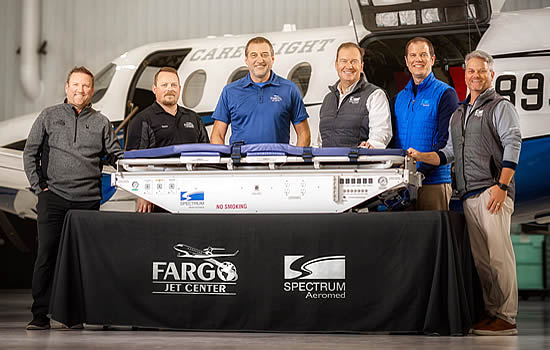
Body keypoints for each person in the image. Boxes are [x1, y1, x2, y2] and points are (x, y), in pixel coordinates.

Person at [408, 50, 521, 336]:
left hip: (493, 193)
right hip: (468, 195)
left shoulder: (500, 106)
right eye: (471, 71)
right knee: (483, 260)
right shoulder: (459, 113)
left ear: (491, 75)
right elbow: (448, 152)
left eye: (481, 71)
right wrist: (422, 155)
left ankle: (506, 316)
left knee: (499, 257)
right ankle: (492, 312)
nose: (475, 76)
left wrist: (502, 186)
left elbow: (513, 143)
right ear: (465, 75)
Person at [23, 66, 123, 330]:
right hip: (53, 198)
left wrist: (131, 163)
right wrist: (39, 188)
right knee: (47, 256)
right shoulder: (48, 116)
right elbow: (29, 153)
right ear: (67, 87)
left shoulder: (102, 122)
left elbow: (115, 154)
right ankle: (40, 315)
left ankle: (76, 315)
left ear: (92, 91)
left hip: (87, 201)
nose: (81, 90)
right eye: (76, 85)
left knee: (85, 260)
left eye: (86, 86)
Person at [126, 67, 209, 213]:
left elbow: (207, 154)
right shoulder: (142, 120)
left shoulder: (193, 118)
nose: (169, 89)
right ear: (154, 89)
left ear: (179, 88)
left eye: (173, 85)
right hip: (158, 194)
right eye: (164, 85)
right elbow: (134, 160)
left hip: (192, 193)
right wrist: (144, 193)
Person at [392, 37, 459, 210]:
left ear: (432, 59)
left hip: (433, 184)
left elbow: (445, 142)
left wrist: (420, 172)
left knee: (434, 236)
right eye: (413, 55)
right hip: (402, 184)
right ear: (406, 61)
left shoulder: (445, 94)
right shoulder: (399, 98)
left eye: (423, 55)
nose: (418, 60)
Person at [210, 36, 311, 146]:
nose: (260, 60)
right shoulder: (230, 91)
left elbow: (303, 133)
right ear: (246, 60)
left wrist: (293, 161)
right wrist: (224, 161)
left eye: (264, 55)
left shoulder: (289, 89)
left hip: (278, 161)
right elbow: (217, 134)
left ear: (272, 59)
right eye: (254, 55)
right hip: (241, 162)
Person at [319, 42, 391, 148]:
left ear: (361, 66)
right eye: (344, 61)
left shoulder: (375, 95)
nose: (349, 66)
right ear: (336, 65)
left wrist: (370, 146)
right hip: (328, 163)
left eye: (354, 61)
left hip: (358, 163)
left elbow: (381, 134)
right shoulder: (328, 99)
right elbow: (321, 139)